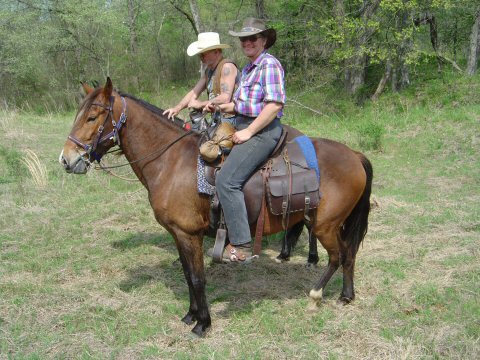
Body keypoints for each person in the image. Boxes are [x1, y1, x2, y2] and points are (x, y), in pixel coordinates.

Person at [205, 18, 286, 262]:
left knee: (227, 180)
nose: (248, 43)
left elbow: (273, 105)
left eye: (253, 38)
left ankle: (241, 244)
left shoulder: (269, 65)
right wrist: (218, 107)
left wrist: (249, 132)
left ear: (263, 40)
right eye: (244, 39)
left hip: (262, 131)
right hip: (240, 122)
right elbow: (243, 104)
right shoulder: (250, 67)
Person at [163, 32, 239, 122]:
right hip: (218, 120)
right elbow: (194, 92)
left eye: (203, 54)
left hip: (232, 120)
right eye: (200, 55)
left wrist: (200, 104)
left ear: (216, 51)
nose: (201, 57)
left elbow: (225, 98)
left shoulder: (227, 67)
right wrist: (177, 108)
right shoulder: (208, 71)